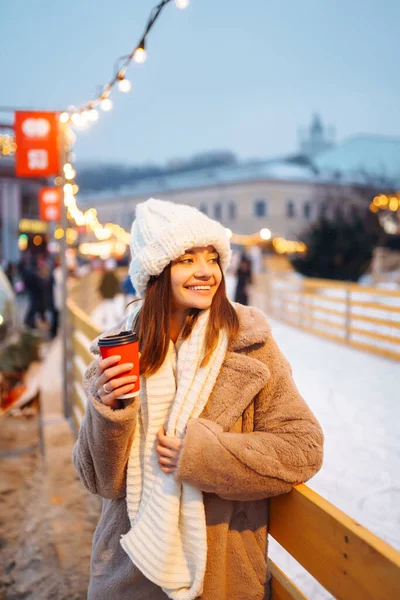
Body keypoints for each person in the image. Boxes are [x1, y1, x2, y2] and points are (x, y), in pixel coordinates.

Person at [72, 198, 324, 600]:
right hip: (128, 572)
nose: (206, 271)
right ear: (156, 271)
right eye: (187, 260)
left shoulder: (250, 346)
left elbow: (303, 446)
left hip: (221, 574)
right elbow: (100, 481)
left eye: (212, 258)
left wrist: (207, 456)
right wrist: (109, 412)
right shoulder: (121, 350)